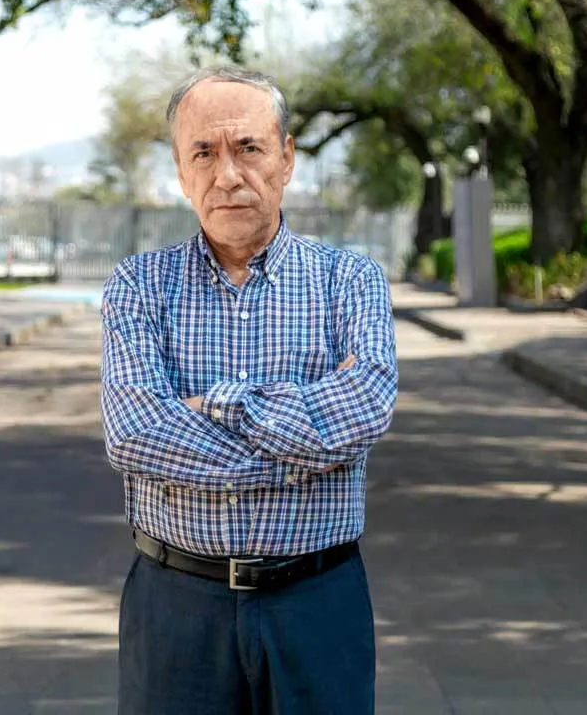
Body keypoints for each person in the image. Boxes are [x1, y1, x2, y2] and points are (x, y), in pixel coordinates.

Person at [99, 65, 398, 715]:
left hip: (317, 603)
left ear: (286, 158)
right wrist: (305, 450)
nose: (227, 175)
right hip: (175, 606)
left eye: (249, 148)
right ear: (180, 170)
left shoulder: (350, 281)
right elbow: (135, 434)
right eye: (203, 153)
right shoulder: (138, 286)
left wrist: (219, 404)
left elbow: (365, 408)